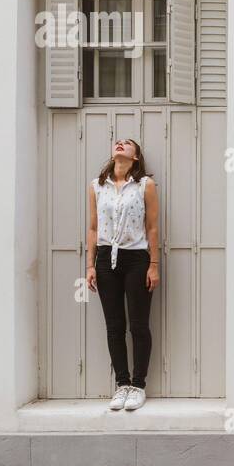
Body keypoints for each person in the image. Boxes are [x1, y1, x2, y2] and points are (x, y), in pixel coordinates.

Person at [86, 138, 160, 411]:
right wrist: (90, 265)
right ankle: (122, 384)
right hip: (106, 258)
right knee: (114, 326)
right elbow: (93, 228)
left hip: (136, 258)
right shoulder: (97, 186)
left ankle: (138, 386)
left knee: (139, 325)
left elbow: (152, 227)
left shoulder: (145, 185)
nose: (120, 144)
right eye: (117, 142)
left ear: (136, 157)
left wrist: (153, 264)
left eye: (127, 144)